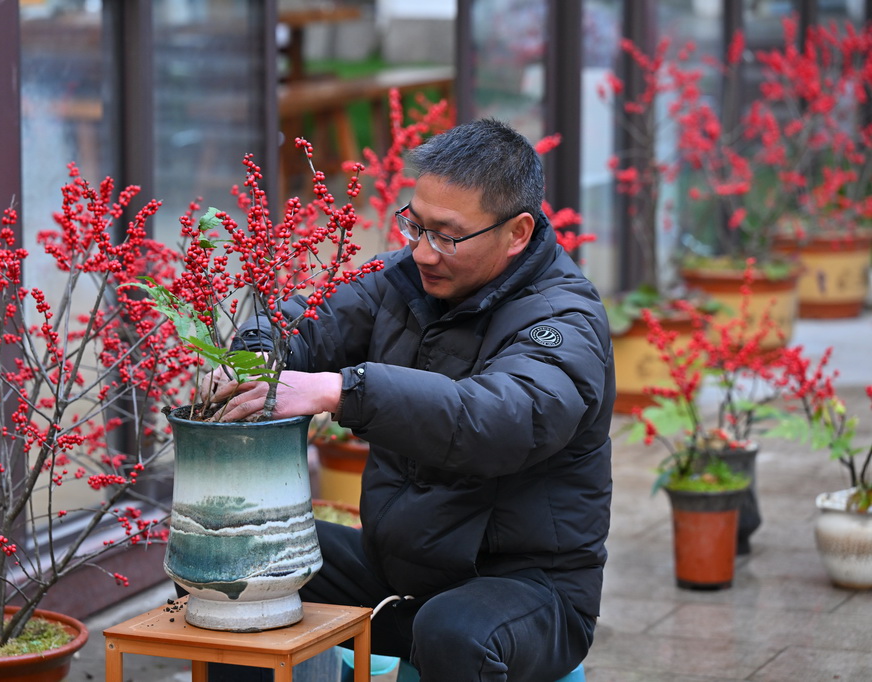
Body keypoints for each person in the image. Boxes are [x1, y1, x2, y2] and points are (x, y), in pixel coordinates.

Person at [210, 118, 614, 681]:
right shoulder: (403, 280)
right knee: (231, 556)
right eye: (415, 226)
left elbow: (499, 419)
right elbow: (306, 322)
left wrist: (341, 389)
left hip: (526, 592)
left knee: (452, 630)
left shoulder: (564, 321)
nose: (423, 252)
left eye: (447, 235)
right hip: (400, 574)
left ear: (517, 233)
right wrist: (255, 357)